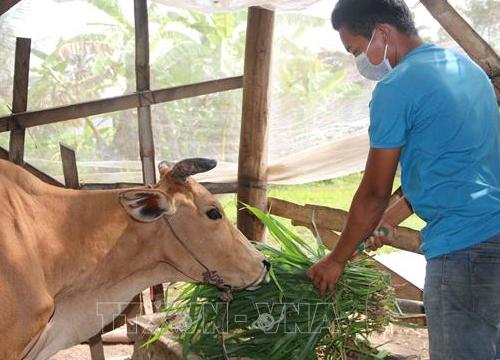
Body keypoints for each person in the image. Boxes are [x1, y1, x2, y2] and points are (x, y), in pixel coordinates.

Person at [306, 0, 500, 359]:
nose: (358, 61)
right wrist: (387, 220)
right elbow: (453, 166)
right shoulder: (467, 70)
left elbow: (374, 193)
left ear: (382, 33)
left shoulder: (396, 87)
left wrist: (337, 258)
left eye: (356, 49)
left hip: (463, 252)